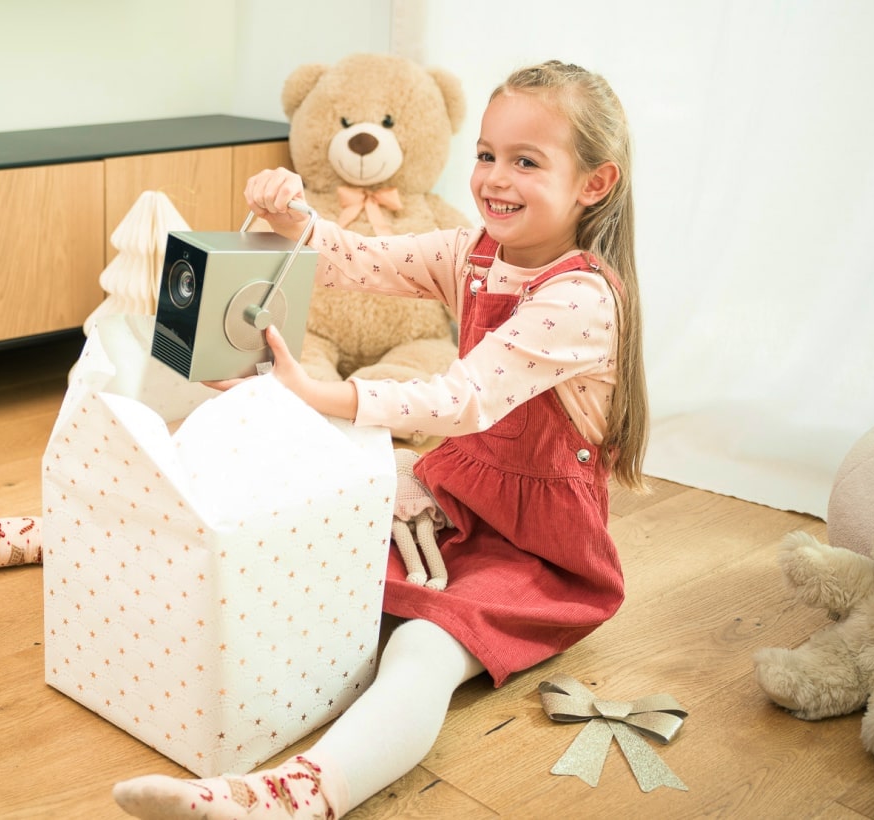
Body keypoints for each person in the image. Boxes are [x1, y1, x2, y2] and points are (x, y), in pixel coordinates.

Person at [111, 59, 649, 820]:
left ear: (595, 183)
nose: (496, 177)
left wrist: (317, 395)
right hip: (457, 491)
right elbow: (361, 261)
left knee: (425, 648)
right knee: (305, 549)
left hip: (539, 547)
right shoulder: (473, 253)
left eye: (527, 161)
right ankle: (97, 526)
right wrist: (297, 218)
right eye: (488, 154)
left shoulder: (581, 298)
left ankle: (292, 797)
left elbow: (457, 398)